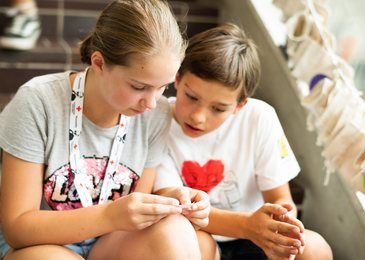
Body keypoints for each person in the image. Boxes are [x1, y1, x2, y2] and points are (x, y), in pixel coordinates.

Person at [0, 1, 210, 259]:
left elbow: (139, 206)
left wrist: (173, 202)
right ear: (98, 63)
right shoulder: (37, 101)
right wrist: (109, 215)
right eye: (138, 86)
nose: (152, 102)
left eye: (163, 87)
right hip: (45, 244)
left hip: (111, 241)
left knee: (177, 228)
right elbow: (17, 229)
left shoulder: (156, 112)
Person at [154, 24, 333, 260]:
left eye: (218, 108)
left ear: (240, 105)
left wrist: (283, 222)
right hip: (195, 233)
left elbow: (280, 197)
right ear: (177, 78)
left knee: (315, 249)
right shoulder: (156, 119)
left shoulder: (259, 117)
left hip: (253, 234)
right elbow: (175, 206)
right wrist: (248, 225)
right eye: (191, 97)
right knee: (195, 244)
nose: (198, 116)